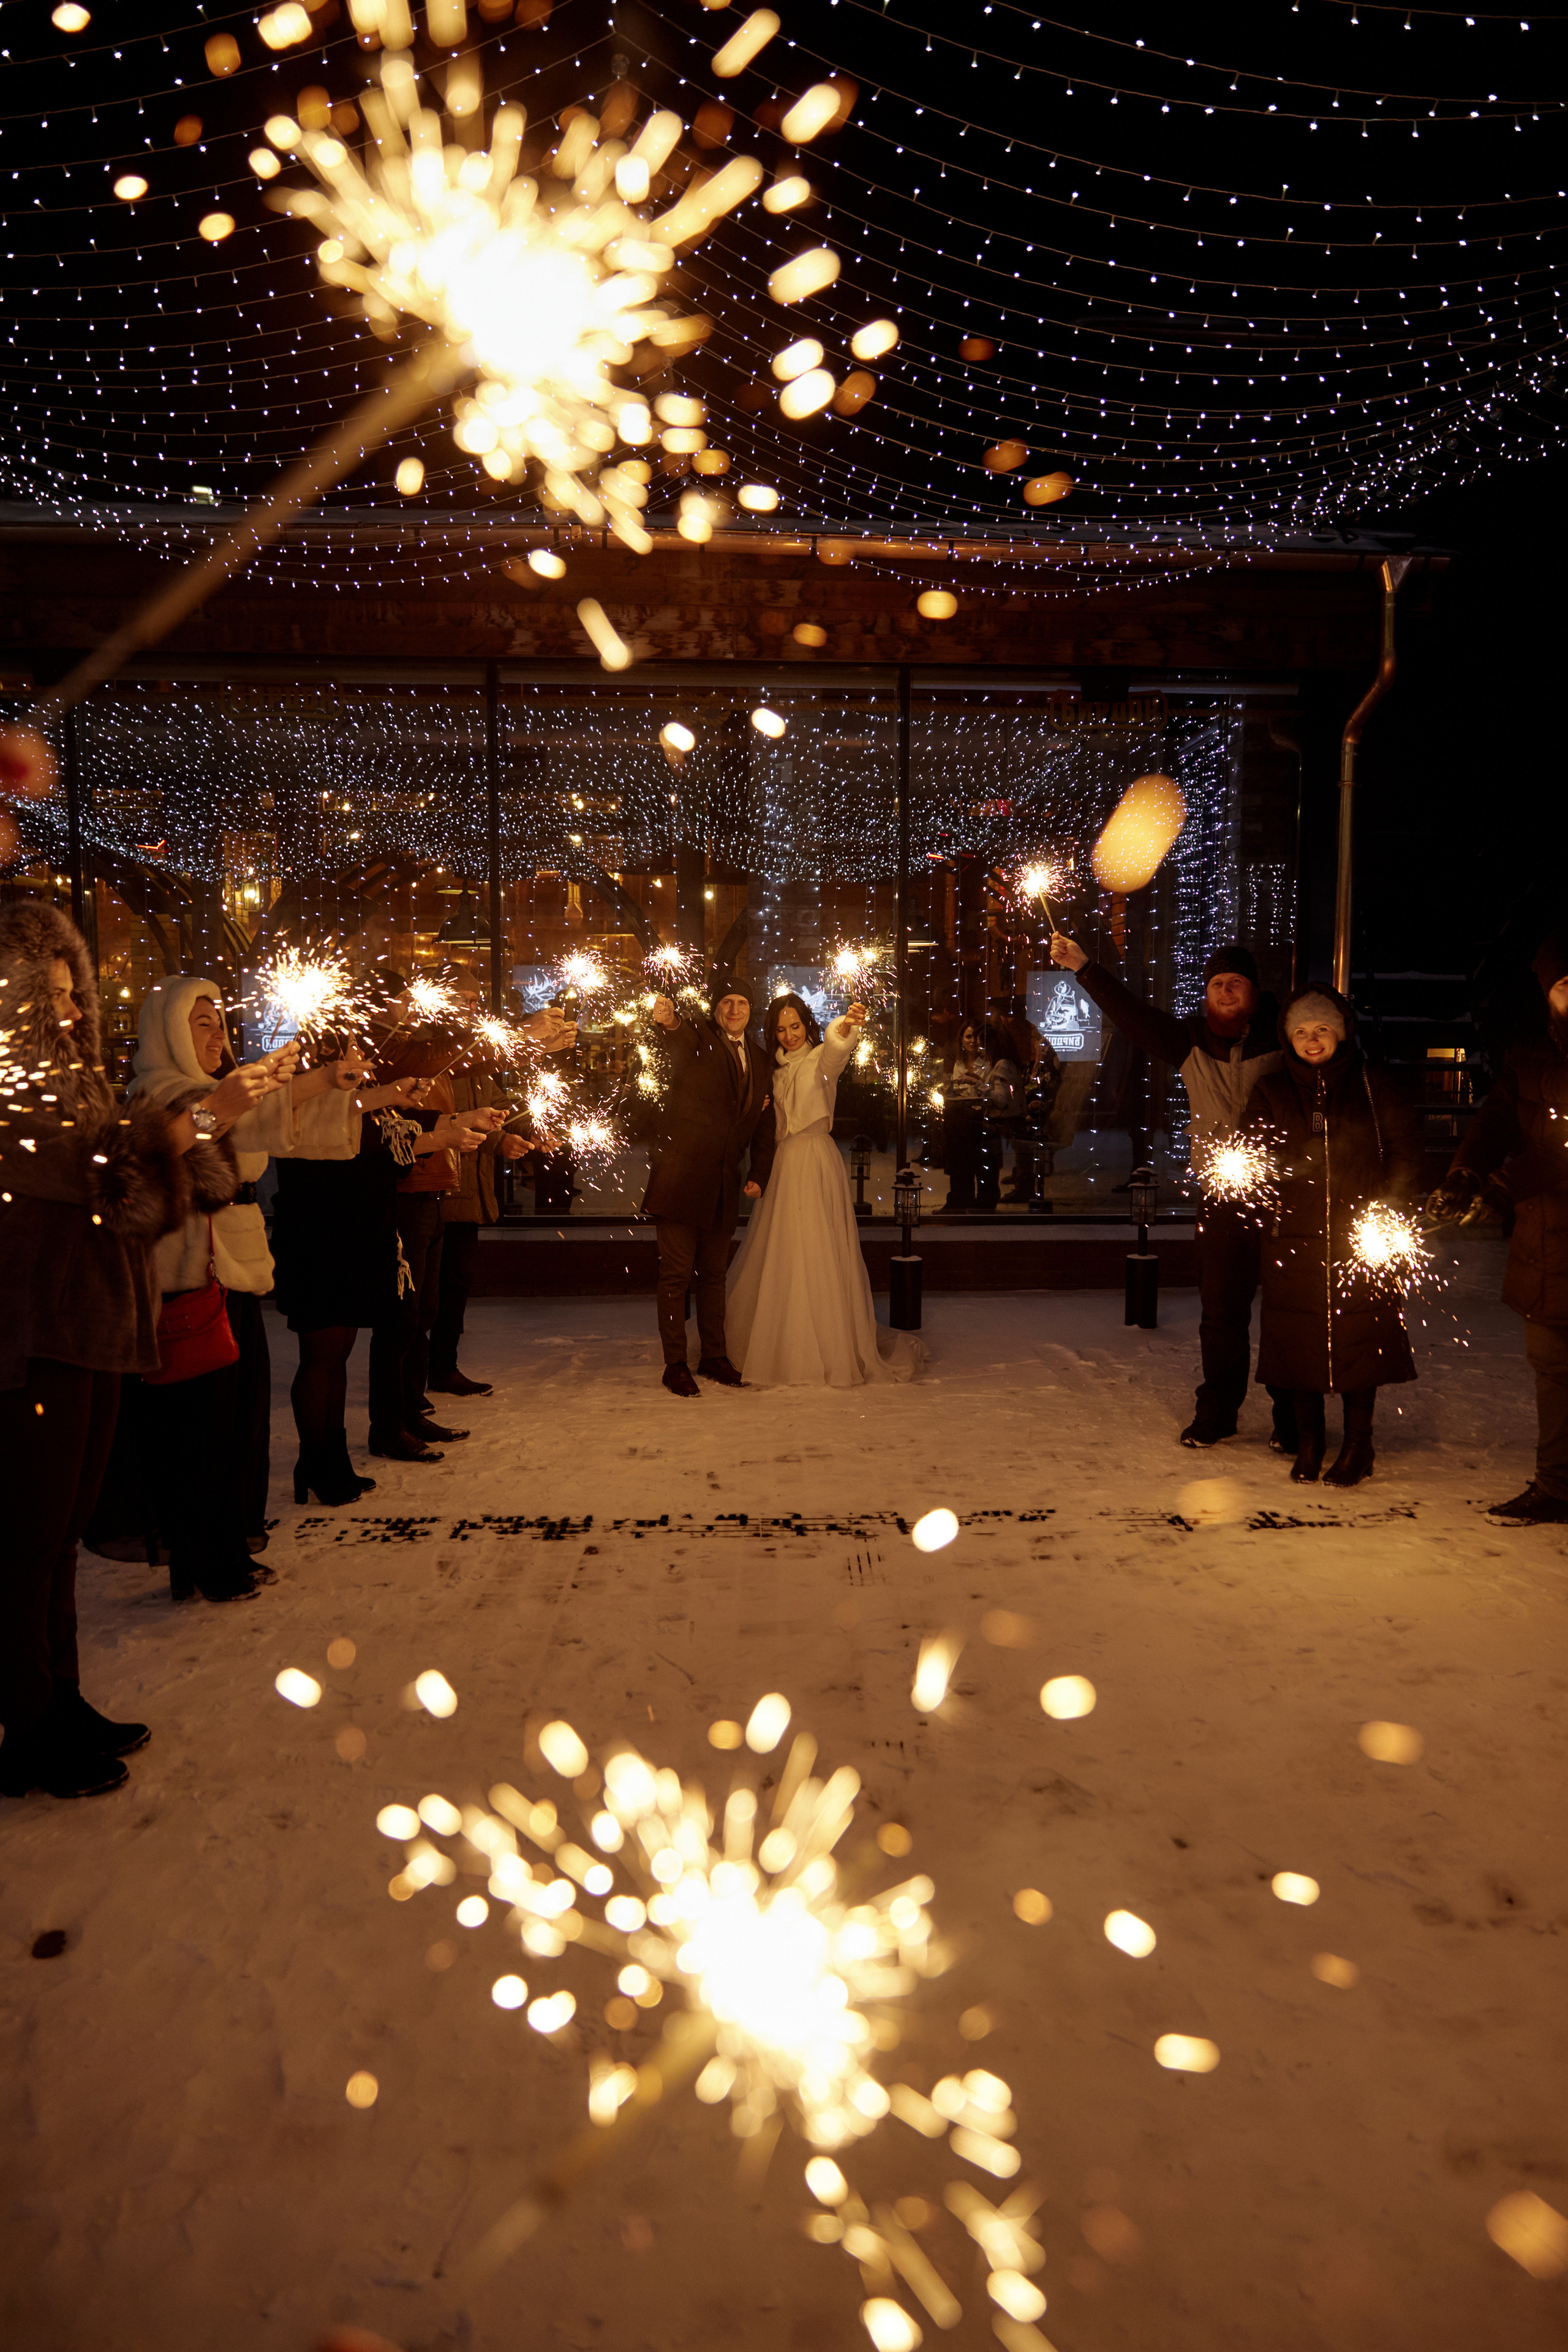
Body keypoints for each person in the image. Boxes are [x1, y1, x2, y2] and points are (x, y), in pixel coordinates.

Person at [0, 900, 197, 1798]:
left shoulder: (72, 1087)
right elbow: (101, 1176)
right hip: (33, 1335)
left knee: (61, 1534)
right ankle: (27, 1721)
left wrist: (181, 1146)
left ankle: (61, 1697)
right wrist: (178, 1137)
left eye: (74, 992)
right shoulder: (13, 1098)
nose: (73, 1011)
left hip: (88, 1328)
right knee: (26, 1538)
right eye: (52, 994)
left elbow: (132, 1196)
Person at [87, 975, 366, 1594]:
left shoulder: (209, 1093)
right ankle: (201, 1560)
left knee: (234, 1424)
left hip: (230, 1272)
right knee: (197, 1431)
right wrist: (241, 1100)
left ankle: (223, 1551)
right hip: (188, 1281)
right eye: (201, 1023)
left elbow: (263, 1121)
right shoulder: (154, 1096)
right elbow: (187, 1138)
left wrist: (325, 1080)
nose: (217, 1035)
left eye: (220, 1022)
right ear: (167, 1031)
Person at [1050, 931, 1292, 1450]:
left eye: (1237, 983)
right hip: (1223, 1194)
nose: (1226, 991)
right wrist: (1083, 967)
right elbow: (1132, 1016)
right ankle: (1218, 1411)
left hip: (1284, 1196)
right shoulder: (1187, 1040)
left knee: (1286, 1309)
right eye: (1217, 984)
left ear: (1255, 992)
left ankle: (1291, 1414)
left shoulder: (1283, 1037)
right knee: (1221, 1309)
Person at [270, 974, 498, 1501]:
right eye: (347, 1054)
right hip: (318, 1231)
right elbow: (364, 1143)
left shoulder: (352, 1100)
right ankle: (317, 1461)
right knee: (322, 1355)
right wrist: (416, 1114)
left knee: (340, 1350)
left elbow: (390, 1135)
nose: (360, 1063)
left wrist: (451, 1123)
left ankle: (332, 1457)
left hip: (354, 1224)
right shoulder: (306, 1101)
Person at [1238, 987, 1424, 1486]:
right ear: (1288, 1038)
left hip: (1360, 1236)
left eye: (1321, 1028)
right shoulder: (1272, 1090)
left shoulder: (1373, 1084)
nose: (1312, 1039)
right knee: (1297, 1342)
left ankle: (1359, 1446)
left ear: (1340, 1032)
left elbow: (1406, 1151)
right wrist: (1265, 1196)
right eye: (1301, 1031)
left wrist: (1391, 1210)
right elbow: (1252, 1155)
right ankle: (1311, 1441)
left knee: (1360, 1338)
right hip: (1293, 1239)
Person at [1432, 922, 1568, 1524]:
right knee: (1552, 1370)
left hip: (1540, 1215)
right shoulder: (1529, 1053)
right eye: (1567, 984)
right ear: (1548, 992)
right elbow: (1495, 1117)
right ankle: (1558, 1487)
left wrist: (1507, 1186)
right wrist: (1465, 1170)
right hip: (1548, 1247)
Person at [726, 993, 924, 1388]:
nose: (789, 1036)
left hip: (816, 1161)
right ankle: (776, 1341)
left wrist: (845, 1026)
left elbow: (836, 1054)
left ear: (808, 1025)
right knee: (782, 1248)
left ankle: (826, 1344)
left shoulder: (819, 1061)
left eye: (796, 1027)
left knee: (817, 1246)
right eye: (781, 1030)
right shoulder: (773, 1070)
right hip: (783, 1165)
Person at [643, 971, 776, 1397]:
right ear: (715, 1010)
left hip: (724, 1183)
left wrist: (759, 1172)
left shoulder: (758, 1058)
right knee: (677, 1276)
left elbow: (763, 1123)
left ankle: (715, 1357)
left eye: (742, 1003)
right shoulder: (699, 1038)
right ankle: (675, 1364)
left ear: (751, 1011)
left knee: (715, 1276)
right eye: (726, 1003)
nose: (734, 1010)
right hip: (680, 1179)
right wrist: (667, 1021)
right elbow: (678, 1038)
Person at [428, 965, 536, 1399]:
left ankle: (442, 1367)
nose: (472, 1008)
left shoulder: (472, 1054)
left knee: (454, 1286)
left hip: (467, 1193)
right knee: (426, 1295)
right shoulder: (431, 1054)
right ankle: (413, 1377)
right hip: (435, 1190)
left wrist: (520, 1132)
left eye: (475, 1001)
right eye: (463, 1000)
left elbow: (494, 1106)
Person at [938, 1023, 992, 1214]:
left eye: (975, 1038)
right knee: (958, 1157)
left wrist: (973, 1081)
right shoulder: (958, 1062)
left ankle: (973, 1200)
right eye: (968, 1037)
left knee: (976, 1159)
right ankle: (960, 1197)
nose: (972, 1042)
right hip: (961, 1115)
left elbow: (990, 1091)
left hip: (979, 1117)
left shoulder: (987, 1062)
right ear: (961, 1040)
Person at [1006, 1029, 1063, 1206]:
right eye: (1043, 1045)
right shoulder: (1030, 1067)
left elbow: (1048, 1099)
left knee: (1021, 1131)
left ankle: (1024, 1186)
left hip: (1040, 1119)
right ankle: (1021, 1178)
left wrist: (1032, 1105)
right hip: (1025, 1112)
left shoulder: (1052, 1073)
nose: (1046, 1050)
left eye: (1051, 1047)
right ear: (1036, 1044)